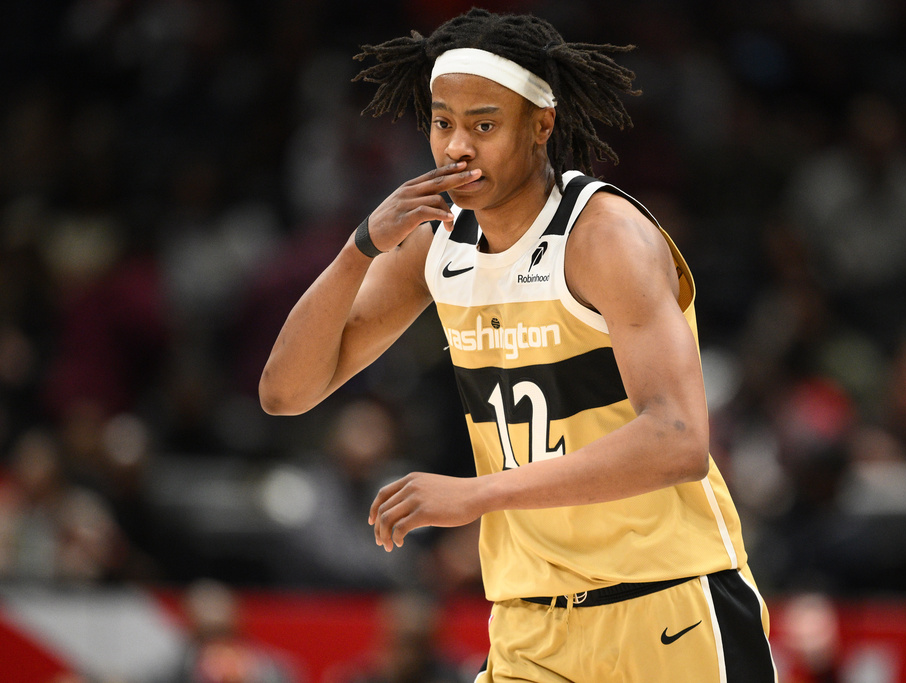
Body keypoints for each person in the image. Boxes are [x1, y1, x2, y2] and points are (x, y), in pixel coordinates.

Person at [260, 8, 776, 682]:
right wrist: (362, 245)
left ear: (541, 125)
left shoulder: (604, 236)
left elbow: (677, 438)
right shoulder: (436, 242)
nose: (457, 148)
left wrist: (476, 495)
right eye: (443, 123)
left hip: (667, 604)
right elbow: (284, 391)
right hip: (532, 627)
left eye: (483, 125)